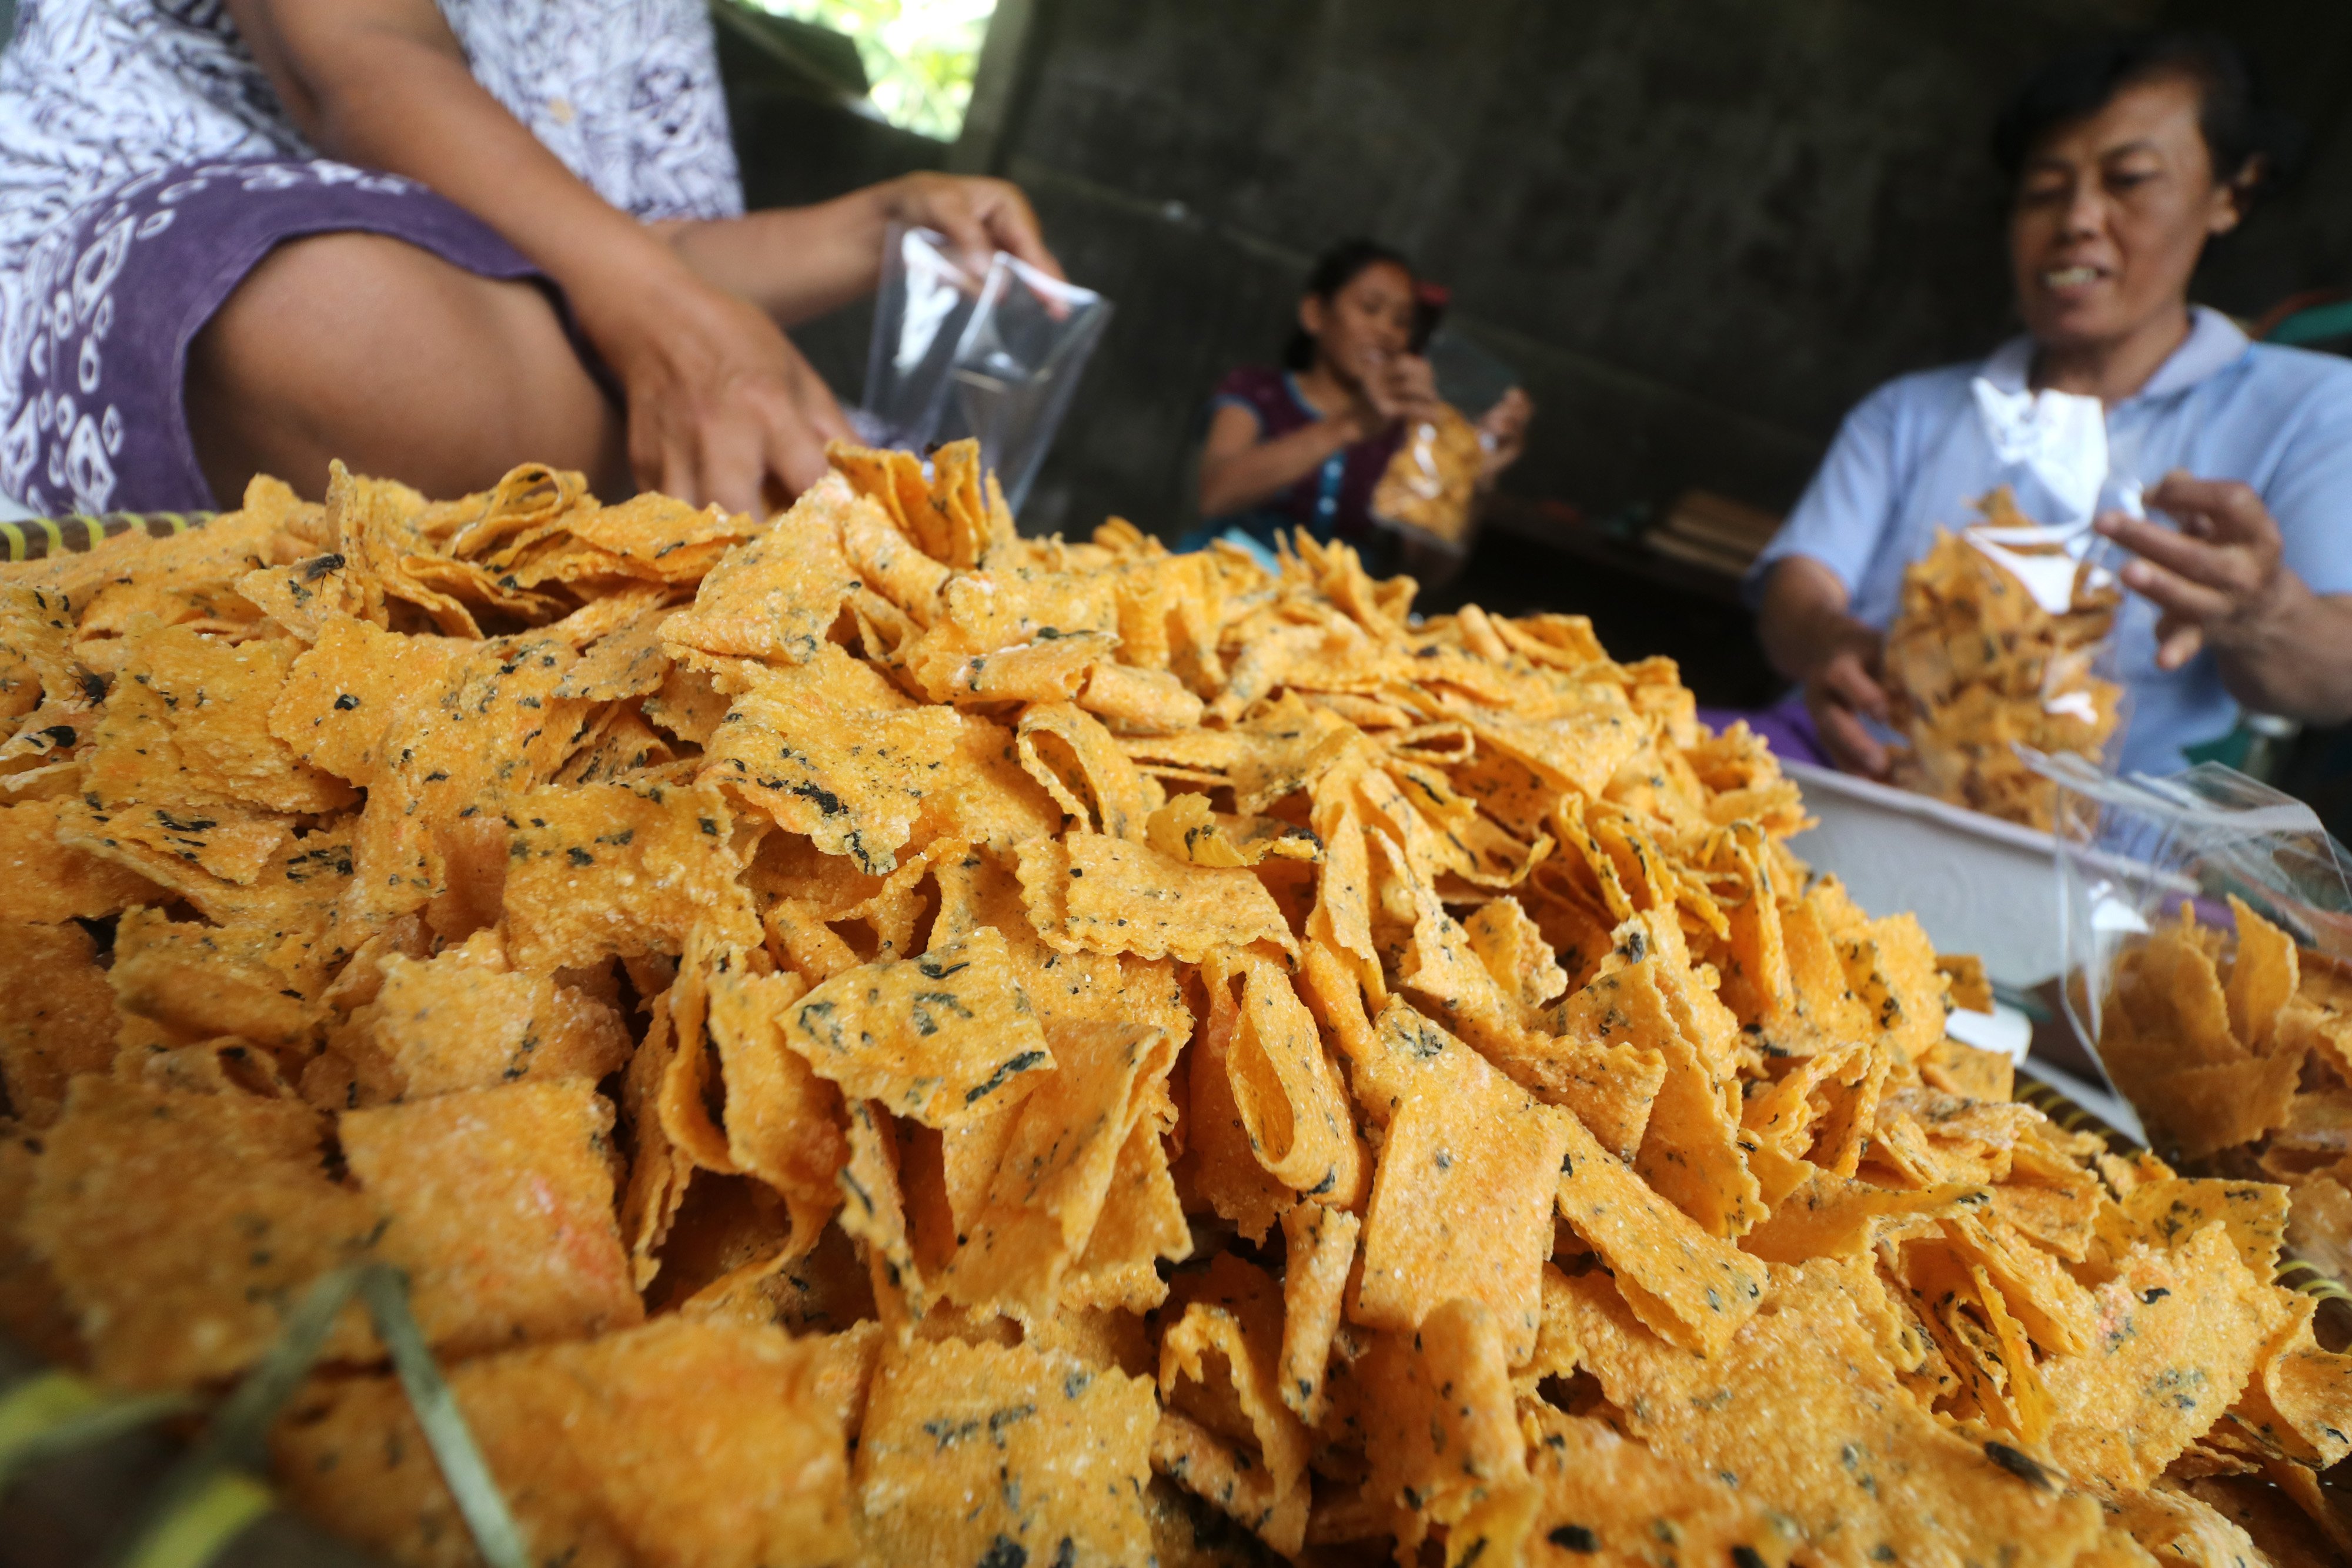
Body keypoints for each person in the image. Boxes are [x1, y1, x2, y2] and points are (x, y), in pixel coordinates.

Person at [0, 0, 1058, 520]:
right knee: (338, 328)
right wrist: (675, 325)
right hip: (183, 222)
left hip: (546, 313)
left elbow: (644, 252)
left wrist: (877, 227)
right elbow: (361, 65)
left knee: (739, 423)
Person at [1748, 31, 2352, 781]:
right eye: (2043, 190)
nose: (2077, 220)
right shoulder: (1910, 411)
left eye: (2128, 179)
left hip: (2084, 833)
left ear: (2230, 195)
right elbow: (1797, 586)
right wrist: (1827, 640)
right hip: (1847, 775)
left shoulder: (2310, 410)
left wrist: (2263, 611)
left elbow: (2334, 680)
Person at [1192, 239, 1531, 568]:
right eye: (1370, 308)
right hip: (1230, 581)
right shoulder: (1256, 390)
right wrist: (1351, 424)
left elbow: (1426, 571)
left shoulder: (1411, 433)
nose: (1386, 331)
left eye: (1401, 321)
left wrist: (1471, 479)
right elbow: (1216, 495)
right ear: (1315, 313)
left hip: (1335, 602)